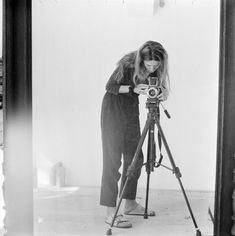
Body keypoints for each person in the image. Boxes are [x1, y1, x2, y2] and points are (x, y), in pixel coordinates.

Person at [100, 41, 170, 228]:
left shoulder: (157, 69)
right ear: (142, 60)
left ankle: (129, 204)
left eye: (156, 65)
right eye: (149, 65)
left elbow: (163, 90)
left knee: (136, 159)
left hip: (131, 112)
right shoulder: (128, 63)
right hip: (113, 110)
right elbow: (110, 87)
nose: (152, 68)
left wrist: (162, 93)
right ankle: (110, 213)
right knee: (113, 161)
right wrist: (133, 89)